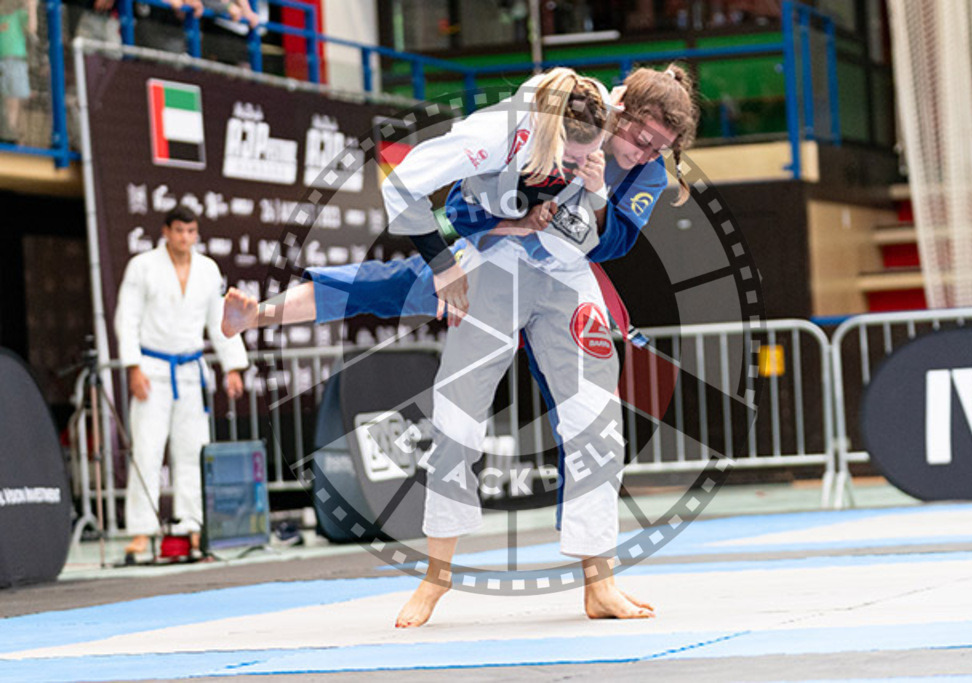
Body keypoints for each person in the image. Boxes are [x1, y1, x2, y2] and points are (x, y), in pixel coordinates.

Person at [222, 65, 698, 625]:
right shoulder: (504, 127)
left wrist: (594, 194)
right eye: (642, 140)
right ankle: (435, 577)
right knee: (456, 414)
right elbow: (420, 192)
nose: (645, 155)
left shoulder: (639, 167)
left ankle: (600, 583)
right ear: (619, 113)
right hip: (494, 264)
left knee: (597, 424)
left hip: (568, 280)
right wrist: (453, 258)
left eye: (660, 149)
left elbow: (613, 244)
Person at [115, 206, 248, 562]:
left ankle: (192, 526)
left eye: (191, 231)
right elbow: (126, 318)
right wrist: (132, 367)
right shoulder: (142, 267)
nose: (185, 238)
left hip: (190, 371)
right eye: (178, 231)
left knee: (193, 453)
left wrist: (232, 365)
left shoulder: (207, 269)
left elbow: (220, 317)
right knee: (147, 450)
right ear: (165, 232)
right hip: (152, 368)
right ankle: (141, 531)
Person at [0, 0, 35, 144]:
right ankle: (6, 130)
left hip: (15, 61)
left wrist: (31, 7)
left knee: (13, 100)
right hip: (2, 62)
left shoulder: (17, 15)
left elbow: (32, 28)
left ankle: (11, 132)